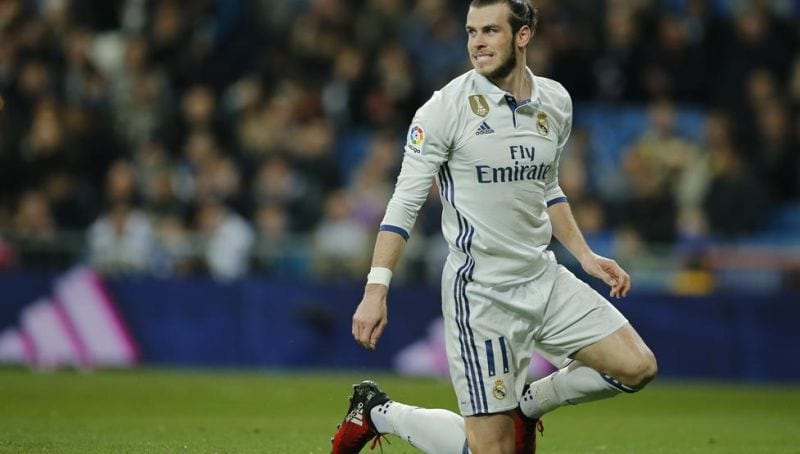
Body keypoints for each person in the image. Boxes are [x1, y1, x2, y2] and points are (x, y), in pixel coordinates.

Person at [332, 1, 657, 453]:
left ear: (523, 35)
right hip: (482, 294)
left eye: (490, 31)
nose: (477, 43)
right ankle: (378, 411)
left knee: (637, 366)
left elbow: (547, 188)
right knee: (494, 450)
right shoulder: (444, 109)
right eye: (471, 32)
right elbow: (403, 203)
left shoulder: (555, 101)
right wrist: (375, 289)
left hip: (543, 278)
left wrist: (584, 255)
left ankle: (528, 405)